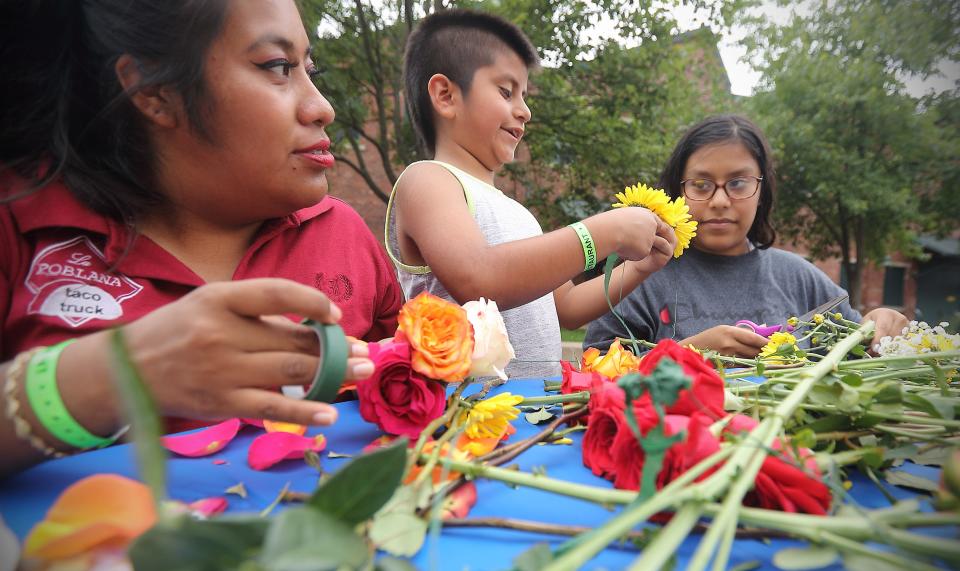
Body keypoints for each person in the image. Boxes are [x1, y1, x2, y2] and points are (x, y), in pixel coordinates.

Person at [0, 0, 403, 477]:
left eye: (309, 70)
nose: (322, 107)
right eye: (278, 67)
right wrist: (108, 377)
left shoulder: (341, 232)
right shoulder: (18, 220)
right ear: (156, 92)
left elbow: (403, 388)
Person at [385, 9, 677, 378]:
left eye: (524, 95)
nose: (524, 111)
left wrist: (640, 268)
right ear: (446, 95)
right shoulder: (428, 180)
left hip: (537, 414)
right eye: (506, 92)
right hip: (468, 415)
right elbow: (479, 278)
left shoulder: (519, 214)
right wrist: (605, 231)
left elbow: (566, 306)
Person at [583, 115, 909, 357]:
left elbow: (859, 355)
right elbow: (595, 375)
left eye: (738, 183)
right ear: (676, 191)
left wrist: (879, 326)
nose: (720, 200)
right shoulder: (640, 277)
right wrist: (686, 357)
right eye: (701, 184)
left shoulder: (801, 278)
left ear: (760, 191)